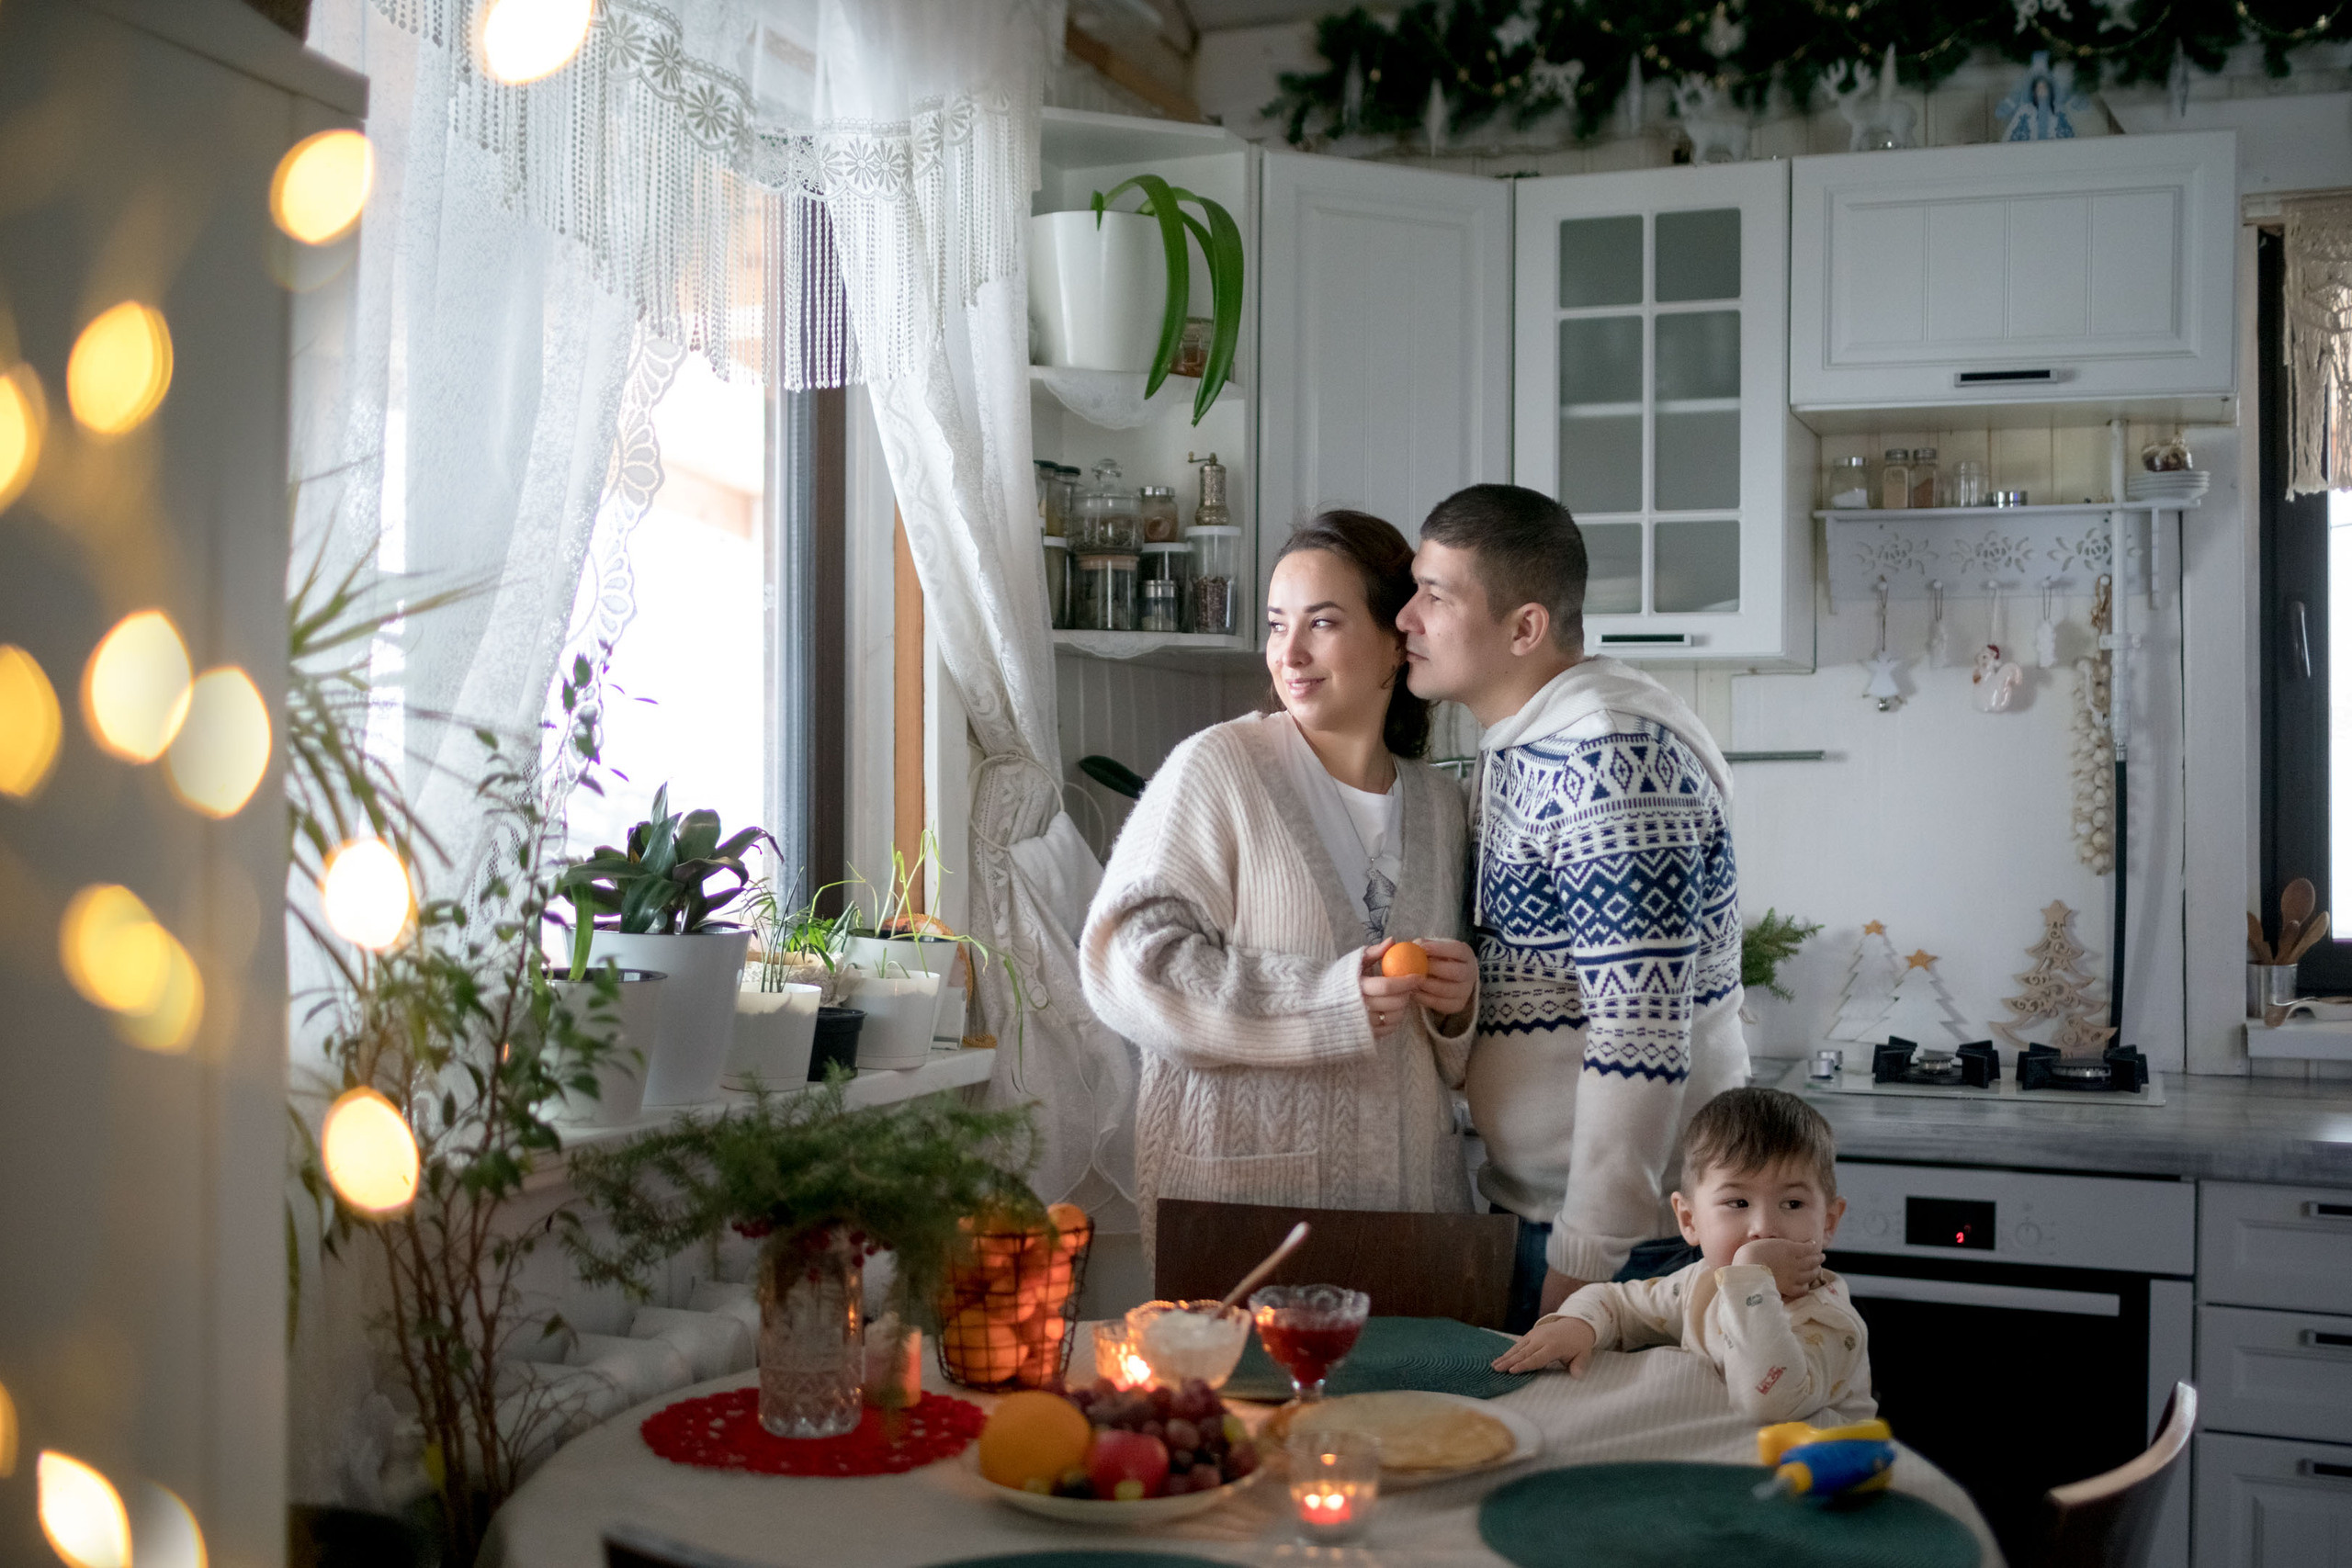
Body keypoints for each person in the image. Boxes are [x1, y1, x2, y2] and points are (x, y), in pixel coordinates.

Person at [1081, 511, 1481, 1267]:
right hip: (1244, 1219)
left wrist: (1459, 1007)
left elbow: (1452, 1061)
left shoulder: (1441, 805)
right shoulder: (1220, 768)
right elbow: (1124, 963)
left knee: (1411, 1392)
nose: (1288, 653)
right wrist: (1325, 1001)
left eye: (1322, 623)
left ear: (1397, 641)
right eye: (1275, 624)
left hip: (1414, 1219)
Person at [1395, 482, 1746, 1332]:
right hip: (1545, 1222)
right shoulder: (1527, 745)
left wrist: (1584, 1263)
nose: (1406, 617)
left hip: (1631, 1252)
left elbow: (1639, 1037)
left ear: (1524, 627)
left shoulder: (1611, 759)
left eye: (1436, 595)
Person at [1489, 1088, 1874, 1429]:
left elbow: (1767, 1402)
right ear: (1689, 1220)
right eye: (1737, 1202)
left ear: (1828, 1222)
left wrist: (1750, 1280)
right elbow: (1617, 1304)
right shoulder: (1700, 1283)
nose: (1763, 1227)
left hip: (1820, 1489)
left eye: (1792, 1203)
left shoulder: (1829, 1322)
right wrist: (1579, 1325)